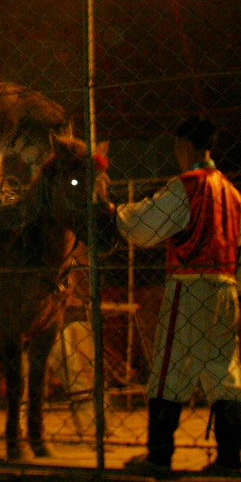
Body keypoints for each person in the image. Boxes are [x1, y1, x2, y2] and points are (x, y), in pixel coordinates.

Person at [113, 117, 241, 475]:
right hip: (226, 287)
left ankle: (159, 456)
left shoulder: (188, 185)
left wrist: (117, 214)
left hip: (190, 285)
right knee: (224, 372)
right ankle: (230, 458)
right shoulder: (233, 193)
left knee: (169, 369)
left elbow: (145, 225)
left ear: (184, 144)